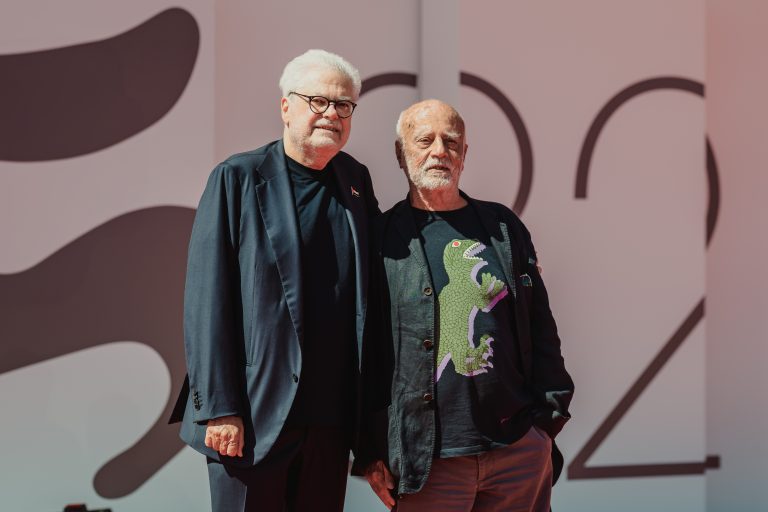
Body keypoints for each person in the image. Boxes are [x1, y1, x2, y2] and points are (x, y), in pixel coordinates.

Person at [169, 49, 379, 512]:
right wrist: (219, 407)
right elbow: (208, 300)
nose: (331, 114)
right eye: (318, 101)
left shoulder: (356, 182)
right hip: (252, 418)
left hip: (330, 423)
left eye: (343, 105)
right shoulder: (237, 178)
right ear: (286, 106)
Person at [356, 99, 574, 511]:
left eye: (451, 141)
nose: (439, 150)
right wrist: (370, 448)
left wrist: (546, 423)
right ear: (401, 153)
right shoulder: (382, 238)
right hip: (429, 461)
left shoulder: (503, 227)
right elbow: (365, 353)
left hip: (516, 450)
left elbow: (540, 323)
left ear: (464, 154)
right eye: (425, 140)